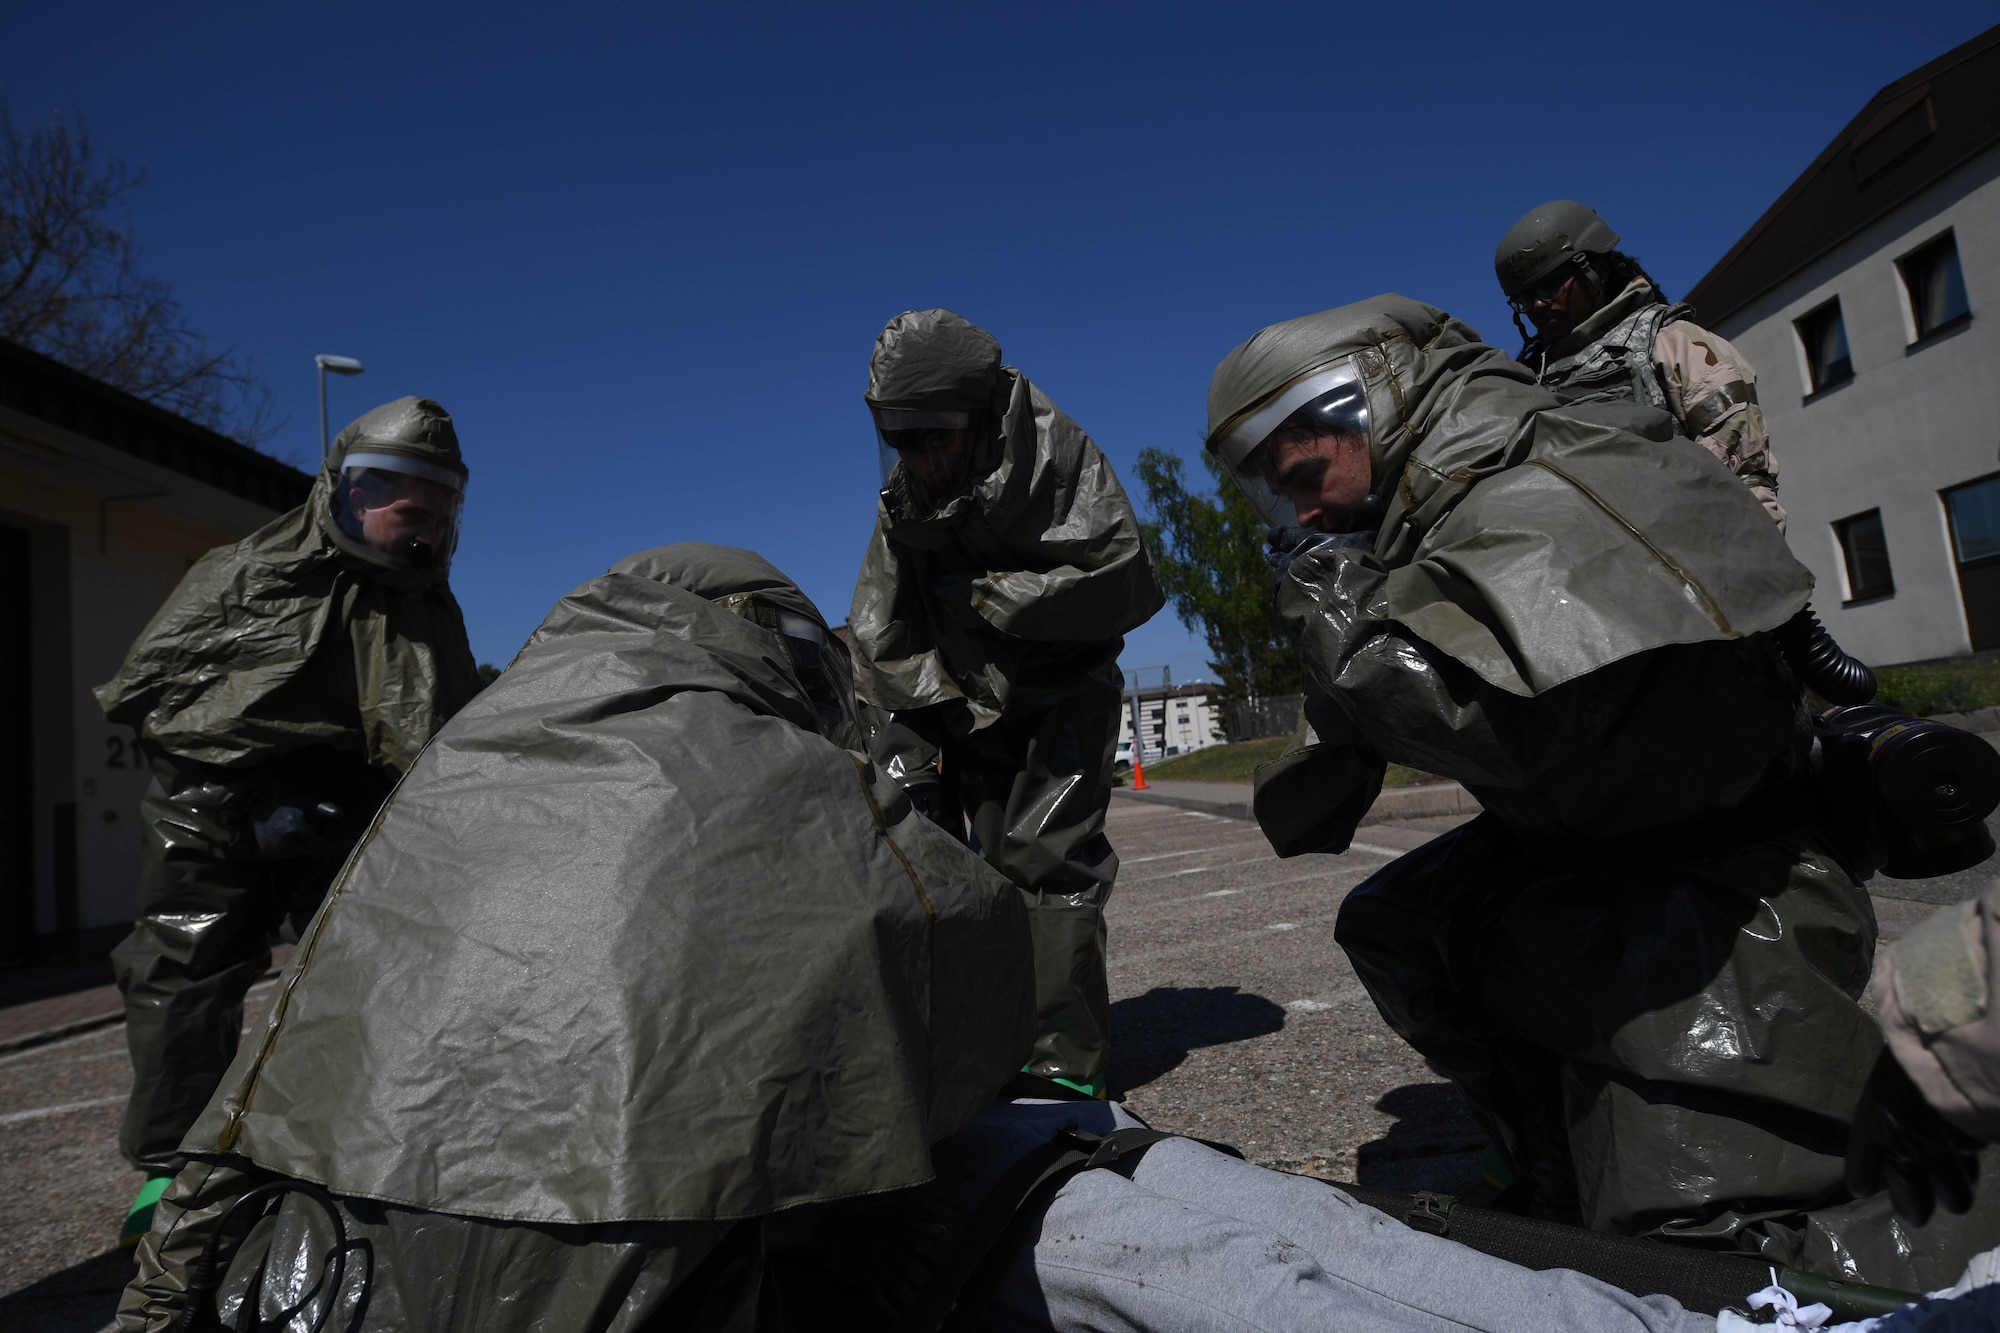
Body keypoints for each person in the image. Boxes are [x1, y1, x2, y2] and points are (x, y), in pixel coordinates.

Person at [1203, 293, 2000, 1291]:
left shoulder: (1539, 478)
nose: (1305, 516)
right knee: (1406, 921)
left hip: (1711, 888)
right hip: (1597, 847)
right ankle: (1554, 1154)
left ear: (1372, 409)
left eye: (1306, 479)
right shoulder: (1456, 493)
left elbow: (1484, 719)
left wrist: (1326, 605)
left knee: (1714, 1262)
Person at [116, 543, 1038, 1332]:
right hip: (637, 1271)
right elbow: (976, 955)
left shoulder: (452, 769)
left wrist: (157, 1299)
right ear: (760, 637)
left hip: (336, 1272)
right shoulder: (776, 763)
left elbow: (272, 1074)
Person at [96, 397, 484, 1244]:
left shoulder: (425, 605)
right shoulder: (250, 571)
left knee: (365, 971)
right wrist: (250, 786)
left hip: (343, 800)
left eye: (433, 509)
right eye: (397, 503)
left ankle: (348, 1144)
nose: (413, 524)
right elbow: (167, 691)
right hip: (215, 796)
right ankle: (172, 1169)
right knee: (185, 967)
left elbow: (435, 715)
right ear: (346, 493)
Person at [847, 308, 1165, 1098]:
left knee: (1045, 858)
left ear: (978, 414)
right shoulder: (908, 498)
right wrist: (908, 746)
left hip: (1060, 685)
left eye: (935, 439)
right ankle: (963, 1046)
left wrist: (1006, 599)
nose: (920, 460)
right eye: (904, 443)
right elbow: (884, 625)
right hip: (955, 686)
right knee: (930, 851)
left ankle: (1063, 1072)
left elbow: (1124, 572)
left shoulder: (1057, 457)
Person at [1494, 199, 1785, 528]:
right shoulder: (1532, 379)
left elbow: (1745, 478)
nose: (1537, 304)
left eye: (1550, 284)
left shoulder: (1674, 343)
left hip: (1678, 553)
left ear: (1596, 268)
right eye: (1523, 297)